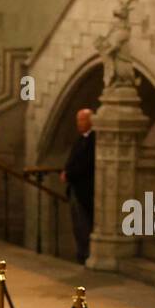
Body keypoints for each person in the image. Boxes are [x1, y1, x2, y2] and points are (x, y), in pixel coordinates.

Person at [62, 108, 95, 264]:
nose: (78, 124)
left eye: (81, 120)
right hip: (74, 188)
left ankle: (86, 254)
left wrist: (69, 174)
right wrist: (66, 171)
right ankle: (81, 252)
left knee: (84, 224)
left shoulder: (93, 140)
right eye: (78, 120)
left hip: (85, 189)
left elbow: (86, 164)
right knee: (77, 225)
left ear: (90, 121)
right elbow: (72, 160)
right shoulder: (79, 139)